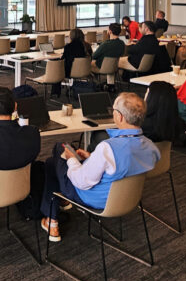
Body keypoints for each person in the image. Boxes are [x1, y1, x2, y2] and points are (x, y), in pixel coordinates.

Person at [39, 92, 159, 242]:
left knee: (57, 152)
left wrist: (71, 160)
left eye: (113, 111)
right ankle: (55, 214)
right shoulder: (151, 148)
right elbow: (124, 167)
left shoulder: (108, 148)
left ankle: (52, 218)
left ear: (120, 117)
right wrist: (92, 158)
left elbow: (81, 181)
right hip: (128, 198)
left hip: (94, 199)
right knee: (52, 163)